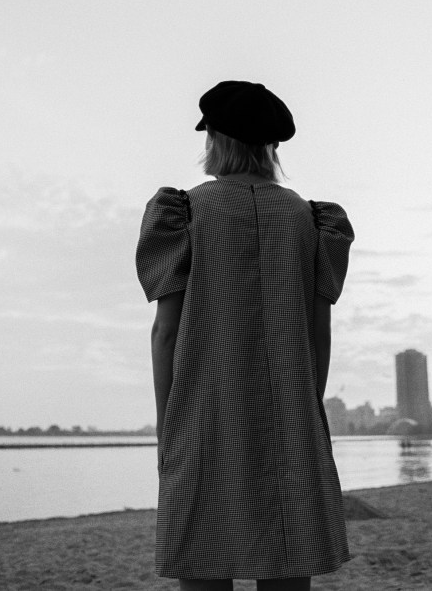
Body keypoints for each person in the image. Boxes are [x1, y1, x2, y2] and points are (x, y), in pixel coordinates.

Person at [136, 81, 354, 591]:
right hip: (290, 416)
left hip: (205, 414)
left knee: (204, 568)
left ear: (214, 138)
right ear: (271, 147)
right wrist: (305, 408)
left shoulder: (184, 212)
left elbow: (165, 334)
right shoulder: (314, 220)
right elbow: (319, 334)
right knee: (286, 568)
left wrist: (169, 425)